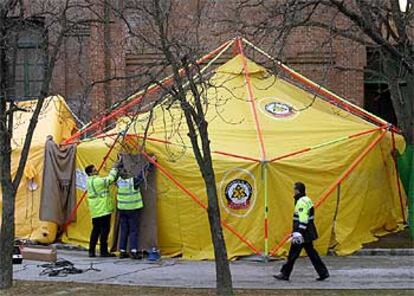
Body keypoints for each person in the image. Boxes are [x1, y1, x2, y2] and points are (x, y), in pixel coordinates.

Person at [274, 182, 329, 281]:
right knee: (311, 253)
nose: (293, 191)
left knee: (293, 254)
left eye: (294, 189)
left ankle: (285, 274)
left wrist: (298, 233)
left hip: (302, 233)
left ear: (298, 190)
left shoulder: (301, 202)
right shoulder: (307, 200)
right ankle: (323, 272)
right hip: (307, 232)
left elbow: (303, 219)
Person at [117, 155, 156, 259]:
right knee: (133, 230)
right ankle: (133, 251)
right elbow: (142, 175)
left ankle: (122, 250)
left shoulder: (119, 181)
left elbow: (118, 170)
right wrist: (151, 163)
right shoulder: (132, 182)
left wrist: (120, 160)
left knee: (124, 230)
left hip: (122, 209)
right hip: (132, 209)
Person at [85, 162, 120, 258]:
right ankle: (103, 251)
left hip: (95, 211)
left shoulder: (89, 181)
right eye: (95, 170)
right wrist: (114, 168)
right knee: (104, 231)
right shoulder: (98, 181)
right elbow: (110, 179)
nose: (97, 171)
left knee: (95, 231)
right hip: (103, 209)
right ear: (91, 173)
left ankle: (91, 251)